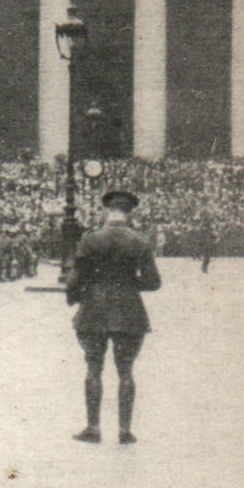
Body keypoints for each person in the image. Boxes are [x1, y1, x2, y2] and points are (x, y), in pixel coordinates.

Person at [66, 189, 161, 445]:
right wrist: (129, 284)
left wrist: (74, 295)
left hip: (94, 310)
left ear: (107, 211)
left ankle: (94, 428)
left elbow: (76, 278)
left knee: (94, 369)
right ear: (130, 213)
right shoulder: (140, 241)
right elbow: (153, 282)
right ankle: (124, 431)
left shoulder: (91, 239)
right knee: (126, 371)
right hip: (130, 311)